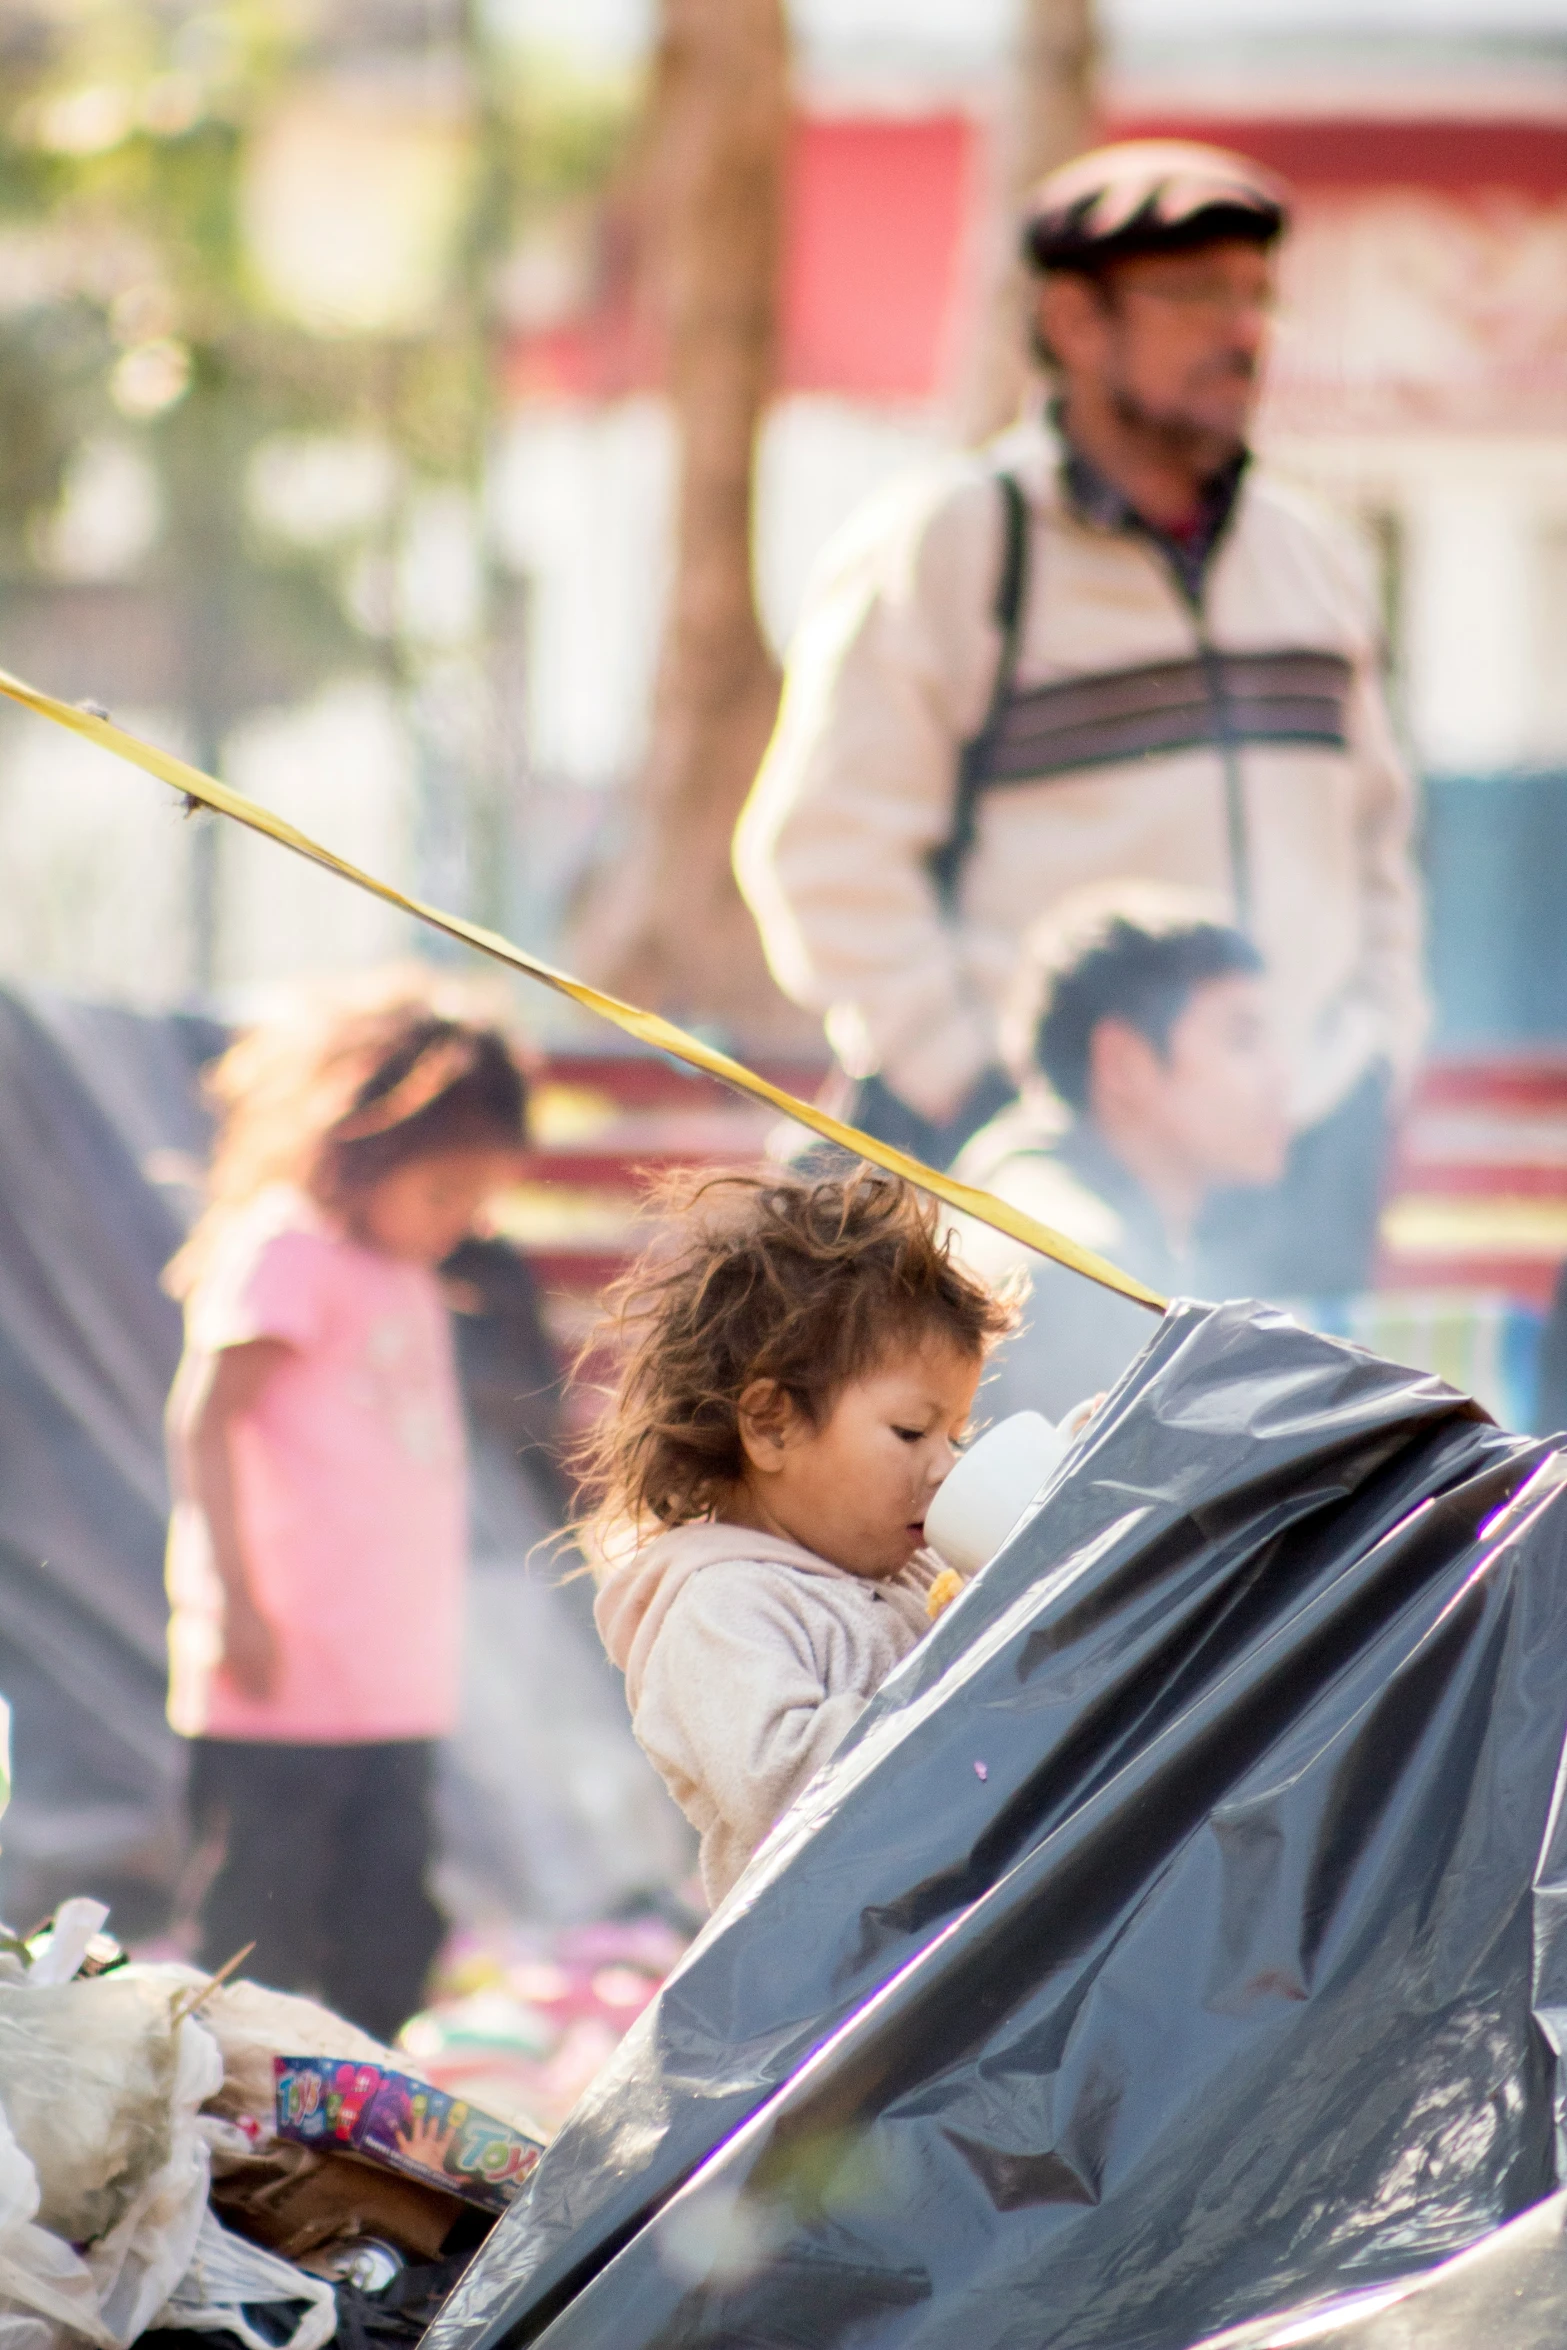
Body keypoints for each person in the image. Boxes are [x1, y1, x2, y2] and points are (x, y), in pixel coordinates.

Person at [735, 138, 1425, 1294]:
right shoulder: (956, 547)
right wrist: (984, 1089)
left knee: (1308, 1477)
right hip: (1035, 1195)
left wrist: (1367, 1058)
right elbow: (824, 857)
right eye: (1199, 293)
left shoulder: (1310, 562)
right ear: (1071, 320)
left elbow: (1380, 855)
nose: (1244, 331)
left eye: (1259, 296)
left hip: (1290, 1163)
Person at [164, 981, 531, 2039]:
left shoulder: (407, 1272)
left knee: (390, 1925)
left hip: (391, 1684)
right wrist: (233, 1599)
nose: (463, 1221)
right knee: (260, 1924)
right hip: (280, 1677)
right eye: (444, 1190)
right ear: (366, 1145)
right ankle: (234, 2125)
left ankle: (364, 2116)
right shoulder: (288, 1251)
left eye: (478, 1198)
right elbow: (207, 1419)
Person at [583, 1169, 1013, 1909]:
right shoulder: (721, 1607)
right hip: (825, 1997)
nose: (946, 1467)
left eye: (957, 1435)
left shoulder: (912, 1571)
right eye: (912, 1432)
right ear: (771, 1425)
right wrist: (961, 1670)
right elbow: (786, 1790)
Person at [951, 887, 1290, 1422]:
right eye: (1241, 1040)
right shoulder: (1085, 1282)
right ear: (1123, 1061)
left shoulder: (1009, 1176)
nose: (1283, 1076)